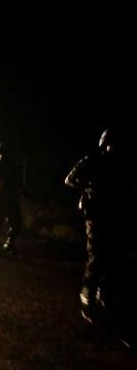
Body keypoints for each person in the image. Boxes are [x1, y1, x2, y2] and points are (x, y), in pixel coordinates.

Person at [65, 128, 132, 324]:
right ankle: (87, 298)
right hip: (95, 215)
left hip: (115, 215)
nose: (115, 148)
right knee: (97, 257)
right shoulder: (92, 161)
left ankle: (104, 295)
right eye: (112, 144)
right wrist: (88, 189)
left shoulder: (122, 164)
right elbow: (69, 180)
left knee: (114, 257)